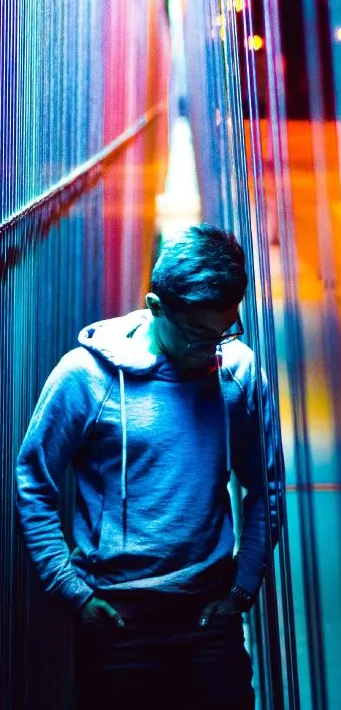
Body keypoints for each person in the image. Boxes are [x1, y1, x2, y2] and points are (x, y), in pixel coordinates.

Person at [16, 223, 284, 710]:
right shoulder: (86, 376)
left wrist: (244, 588)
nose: (212, 349)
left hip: (209, 622)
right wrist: (71, 593)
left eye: (225, 331)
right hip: (118, 625)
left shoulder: (238, 373)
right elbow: (33, 480)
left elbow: (266, 486)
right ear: (156, 307)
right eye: (198, 335)